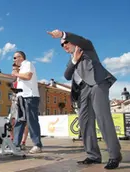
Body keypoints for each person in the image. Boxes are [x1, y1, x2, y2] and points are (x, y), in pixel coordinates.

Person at [47, 29, 122, 169]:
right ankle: (93, 155)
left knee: (102, 118)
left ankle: (114, 155)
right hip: (82, 91)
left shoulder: (87, 48)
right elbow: (67, 75)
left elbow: (81, 39)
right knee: (84, 122)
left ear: (73, 42)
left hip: (97, 84)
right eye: (61, 45)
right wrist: (74, 60)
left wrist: (63, 34)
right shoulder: (71, 59)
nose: (64, 46)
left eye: (66, 43)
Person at [12, 51, 42, 154]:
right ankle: (15, 144)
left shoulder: (28, 64)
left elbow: (28, 76)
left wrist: (16, 73)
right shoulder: (19, 69)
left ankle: (37, 145)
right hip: (21, 97)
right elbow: (16, 81)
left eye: (15, 58)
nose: (14, 60)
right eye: (13, 58)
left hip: (30, 96)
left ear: (21, 57)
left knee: (32, 121)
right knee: (19, 121)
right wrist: (16, 73)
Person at [10, 63, 29, 150]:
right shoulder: (13, 80)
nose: (14, 70)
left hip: (22, 101)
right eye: (13, 69)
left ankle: (23, 142)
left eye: (15, 69)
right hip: (14, 102)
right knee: (12, 123)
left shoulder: (22, 78)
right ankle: (12, 141)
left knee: (23, 123)